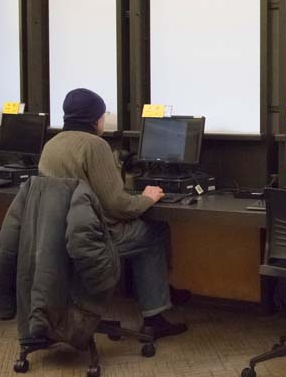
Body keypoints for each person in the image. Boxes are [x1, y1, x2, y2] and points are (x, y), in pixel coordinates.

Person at [38, 88, 187, 339]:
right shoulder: (96, 146)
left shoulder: (51, 145)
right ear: (95, 119)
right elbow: (117, 206)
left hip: (58, 236)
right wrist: (147, 198)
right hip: (96, 238)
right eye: (102, 115)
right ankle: (154, 313)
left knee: (144, 231)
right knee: (154, 232)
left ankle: (158, 293)